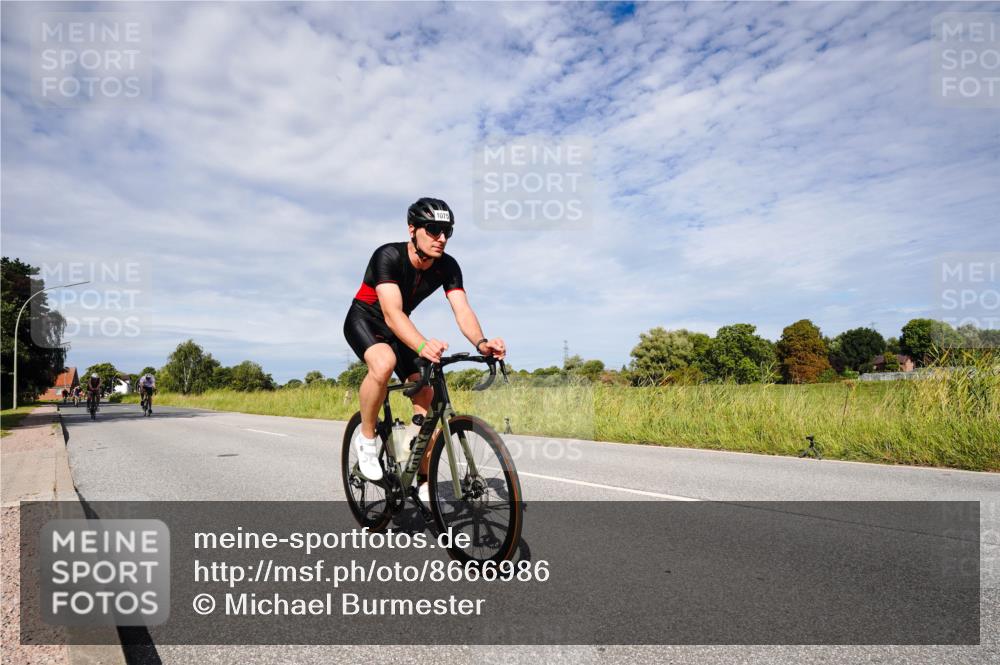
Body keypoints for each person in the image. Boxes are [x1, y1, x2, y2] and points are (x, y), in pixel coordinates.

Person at [343, 197, 506, 503]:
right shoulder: (387, 255)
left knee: (427, 395)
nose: (441, 238)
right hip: (365, 319)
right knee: (383, 362)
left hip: (398, 328)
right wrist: (421, 344)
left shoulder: (448, 266)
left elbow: (462, 310)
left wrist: (482, 343)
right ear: (412, 229)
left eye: (447, 231)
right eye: (433, 230)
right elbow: (391, 314)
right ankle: (366, 439)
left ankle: (419, 473)